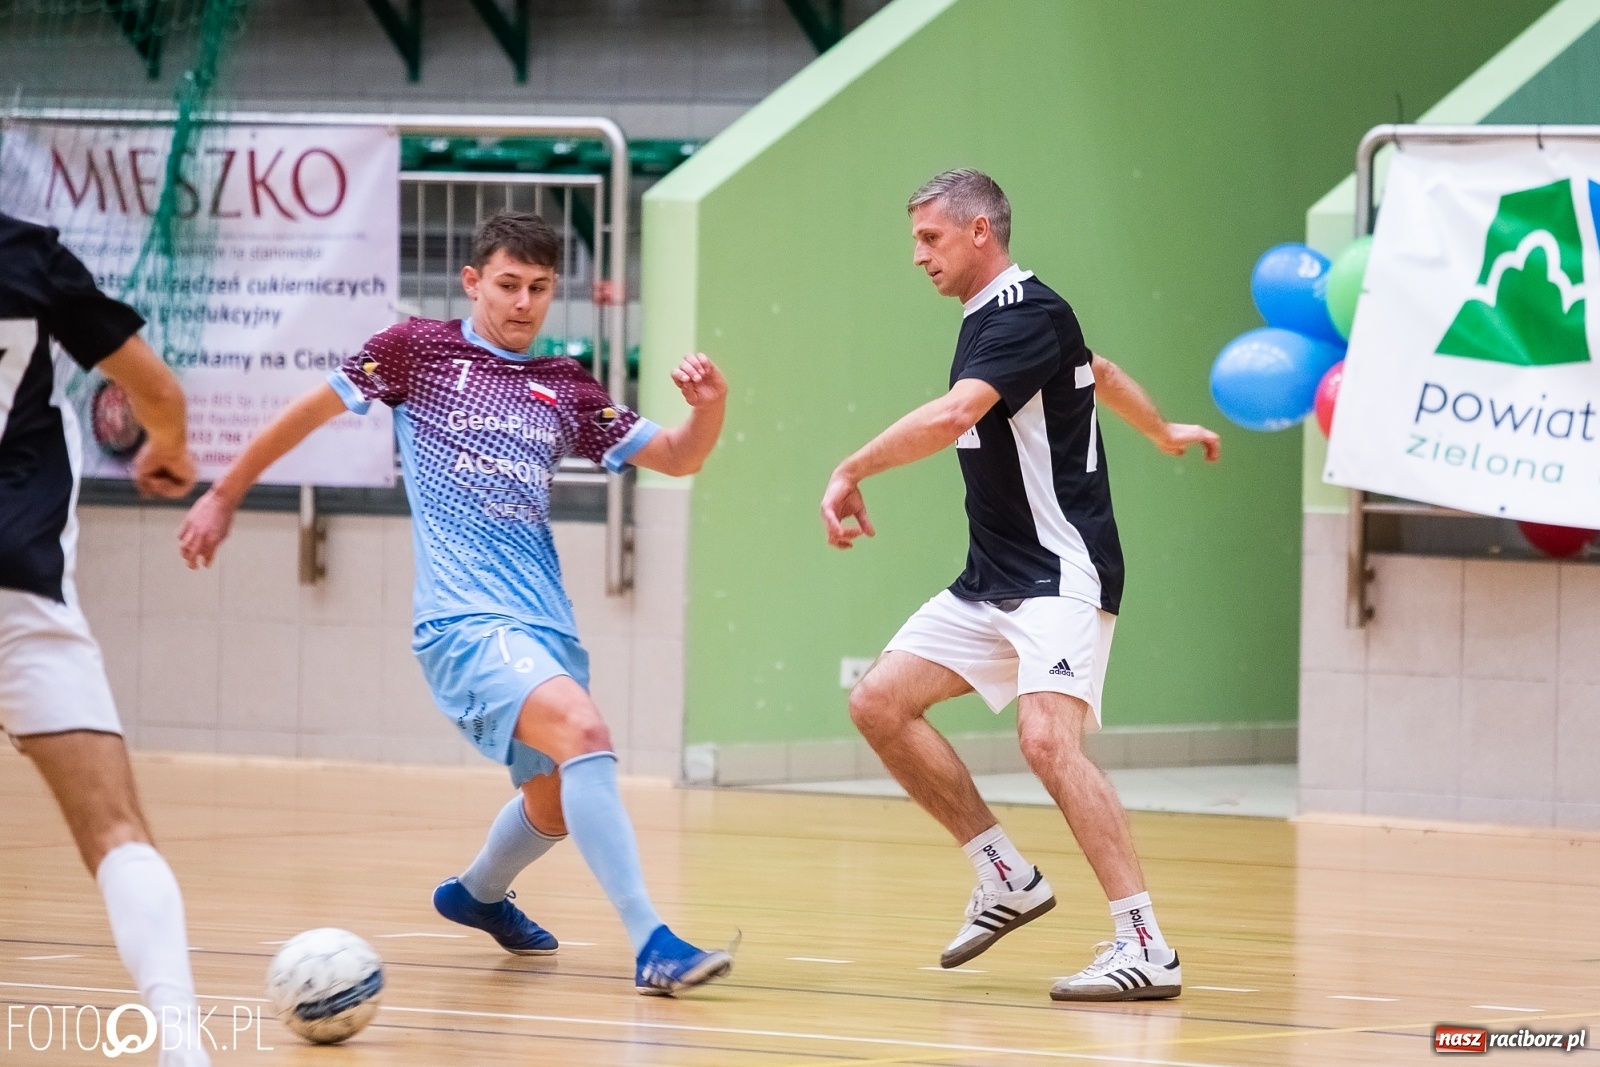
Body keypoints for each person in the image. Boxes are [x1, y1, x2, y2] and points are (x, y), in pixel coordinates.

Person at [178, 211, 733, 995]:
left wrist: (708, 407)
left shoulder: (566, 384)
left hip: (545, 622)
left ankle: (475, 894)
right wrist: (224, 494)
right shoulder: (416, 350)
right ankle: (654, 942)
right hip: (463, 622)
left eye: (540, 288)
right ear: (473, 281)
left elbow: (678, 456)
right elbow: (310, 412)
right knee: (585, 731)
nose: (523, 303)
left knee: (556, 797)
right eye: (508, 285)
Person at [820, 170, 1221, 1002]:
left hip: (1060, 569)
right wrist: (1162, 429)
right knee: (878, 703)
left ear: (979, 233)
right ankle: (1003, 874)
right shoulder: (997, 322)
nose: (918, 255)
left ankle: (1146, 944)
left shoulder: (1025, 311)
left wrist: (852, 467)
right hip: (993, 575)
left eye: (930, 237)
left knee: (1046, 741)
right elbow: (1097, 369)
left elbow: (952, 416)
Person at [0, 211, 209, 1063]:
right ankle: (182, 1042)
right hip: (18, 587)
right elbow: (156, 392)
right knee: (117, 831)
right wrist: (171, 449)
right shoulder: (23, 255)